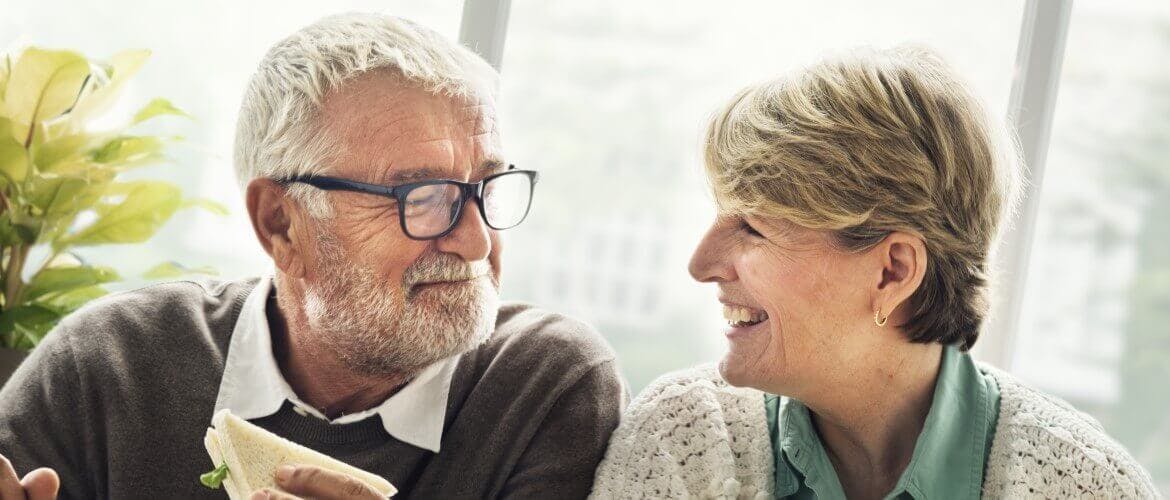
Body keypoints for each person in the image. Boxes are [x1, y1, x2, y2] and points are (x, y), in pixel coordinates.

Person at [0, 13, 624, 499]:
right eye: (423, 196)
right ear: (281, 224)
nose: (477, 241)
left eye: (486, 187)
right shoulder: (108, 368)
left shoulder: (544, 386)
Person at [590, 46, 1157, 499]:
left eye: (754, 230)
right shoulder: (686, 435)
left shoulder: (1085, 484)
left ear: (893, 270)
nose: (700, 264)